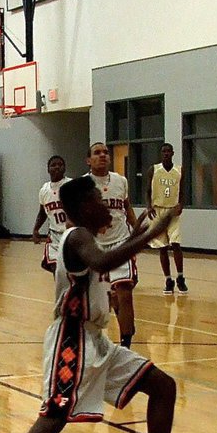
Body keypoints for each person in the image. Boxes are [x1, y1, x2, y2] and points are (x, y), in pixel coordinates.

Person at [0, 176, 196, 433]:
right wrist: (151, 234)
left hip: (96, 340)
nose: (105, 203)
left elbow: (104, 260)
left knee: (163, 386)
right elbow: (105, 259)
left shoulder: (85, 238)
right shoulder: (76, 236)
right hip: (72, 341)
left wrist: (135, 234)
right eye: (98, 198)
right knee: (54, 416)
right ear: (82, 208)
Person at [85, 142, 140, 348]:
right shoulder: (83, 185)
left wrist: (137, 232)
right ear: (88, 160)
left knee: (125, 291)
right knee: (101, 300)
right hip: (94, 247)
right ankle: (95, 341)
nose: (103, 156)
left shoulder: (120, 181)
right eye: (97, 153)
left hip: (120, 243)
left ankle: (126, 344)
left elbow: (127, 208)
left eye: (106, 152)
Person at [146, 142, 188, 295]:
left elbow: (182, 190)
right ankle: (168, 280)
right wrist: (148, 206)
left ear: (173, 153)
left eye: (168, 151)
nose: (166, 153)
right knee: (162, 247)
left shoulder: (179, 170)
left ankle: (181, 278)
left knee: (176, 243)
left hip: (172, 211)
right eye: (163, 151)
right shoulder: (154, 170)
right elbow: (147, 190)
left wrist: (181, 204)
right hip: (158, 210)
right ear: (160, 153)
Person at [32, 155, 71, 273]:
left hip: (70, 234)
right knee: (55, 267)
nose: (57, 167)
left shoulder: (71, 185)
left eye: (60, 164)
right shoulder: (44, 190)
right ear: (48, 169)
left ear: (64, 168)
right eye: (53, 165)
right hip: (54, 235)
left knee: (71, 271)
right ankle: (60, 291)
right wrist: (36, 229)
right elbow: (42, 213)